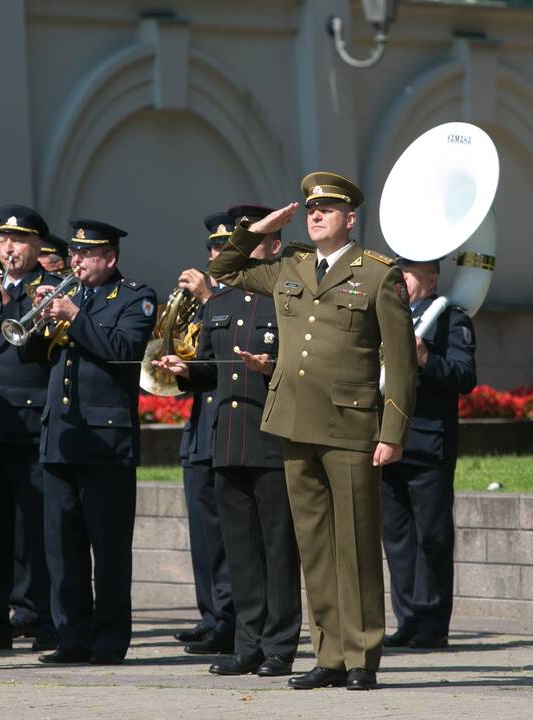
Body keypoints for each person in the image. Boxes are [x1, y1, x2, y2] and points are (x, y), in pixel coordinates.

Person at [208, 173, 417, 691]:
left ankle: (362, 656)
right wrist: (258, 229)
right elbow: (224, 270)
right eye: (310, 209)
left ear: (350, 218)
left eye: (328, 209)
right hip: (293, 422)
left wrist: (392, 432)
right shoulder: (290, 266)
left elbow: (402, 360)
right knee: (316, 546)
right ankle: (329, 654)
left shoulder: (376, 275)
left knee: (356, 544)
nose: (315, 214)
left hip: (350, 425)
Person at [157, 204, 302, 677]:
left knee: (277, 549)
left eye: (251, 239)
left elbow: (304, 369)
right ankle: (248, 644)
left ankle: (280, 646)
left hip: (271, 439)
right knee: (239, 550)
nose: (236, 249)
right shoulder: (217, 306)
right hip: (228, 442)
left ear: (274, 246)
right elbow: (208, 372)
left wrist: (270, 369)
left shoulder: (289, 300)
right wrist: (185, 372)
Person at [35, 218, 157, 665]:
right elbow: (31, 355)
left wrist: (74, 317)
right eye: (75, 254)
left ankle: (108, 640)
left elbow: (123, 351)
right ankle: (71, 636)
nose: (77, 261)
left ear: (110, 258)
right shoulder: (64, 297)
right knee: (61, 545)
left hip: (107, 440)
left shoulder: (135, 297)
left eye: (86, 254)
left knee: (107, 547)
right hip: (61, 434)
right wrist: (40, 321)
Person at [382, 258, 476, 650]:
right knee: (398, 537)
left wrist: (425, 358)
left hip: (427, 443)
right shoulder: (386, 316)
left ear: (432, 278)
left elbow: (464, 376)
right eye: (399, 271)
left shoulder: (450, 318)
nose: (402, 278)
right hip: (387, 438)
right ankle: (407, 621)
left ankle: (432, 623)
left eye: (410, 272)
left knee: (432, 536)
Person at [0, 205, 59, 652]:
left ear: (37, 249)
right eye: (5, 240)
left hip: (30, 424)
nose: (9, 248)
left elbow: (36, 354)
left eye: (20, 241)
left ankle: (46, 621)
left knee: (38, 533)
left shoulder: (43, 292)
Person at [171, 214, 235, 654]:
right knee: (202, 532)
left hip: (230, 429)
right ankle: (210, 613)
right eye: (212, 249)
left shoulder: (249, 298)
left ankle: (230, 619)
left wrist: (210, 297)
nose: (215, 256)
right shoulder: (205, 300)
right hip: (199, 428)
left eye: (224, 249)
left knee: (228, 535)